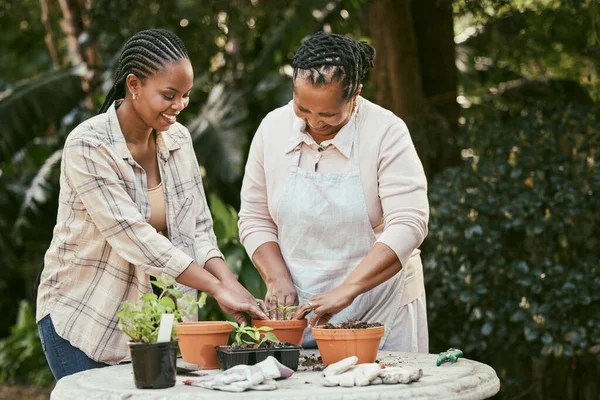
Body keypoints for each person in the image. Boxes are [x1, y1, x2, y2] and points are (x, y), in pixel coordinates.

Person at [36, 29, 267, 381]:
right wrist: (215, 287)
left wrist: (230, 282)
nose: (179, 106)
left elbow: (199, 228)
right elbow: (136, 238)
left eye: (186, 95)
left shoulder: (178, 139)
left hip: (151, 328)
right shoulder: (88, 145)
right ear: (134, 85)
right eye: (169, 95)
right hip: (83, 318)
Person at [238, 31, 429, 351]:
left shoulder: (386, 132)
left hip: (382, 312)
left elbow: (408, 223)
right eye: (303, 109)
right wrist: (276, 277)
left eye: (328, 115)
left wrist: (348, 289)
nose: (314, 122)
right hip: (300, 318)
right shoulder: (272, 129)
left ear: (355, 96)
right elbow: (254, 217)